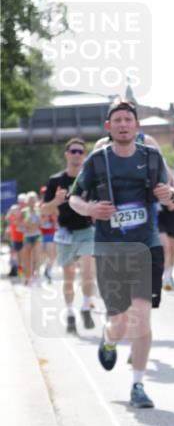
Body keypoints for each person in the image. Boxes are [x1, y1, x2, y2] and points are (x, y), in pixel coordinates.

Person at [69, 97, 174, 408]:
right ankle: (109, 340)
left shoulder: (152, 156)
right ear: (108, 127)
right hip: (109, 249)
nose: (124, 125)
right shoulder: (97, 160)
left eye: (129, 120)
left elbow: (173, 195)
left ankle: (138, 385)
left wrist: (169, 194)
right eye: (118, 121)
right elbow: (74, 199)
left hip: (146, 246)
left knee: (141, 319)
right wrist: (89, 208)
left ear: (137, 126)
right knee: (119, 324)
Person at [41, 138, 97, 333]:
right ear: (66, 154)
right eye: (73, 151)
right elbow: (43, 210)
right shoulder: (56, 180)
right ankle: (71, 312)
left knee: (89, 272)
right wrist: (56, 201)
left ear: (84, 155)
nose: (76, 155)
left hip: (87, 231)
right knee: (69, 276)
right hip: (65, 233)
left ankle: (86, 306)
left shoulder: (90, 179)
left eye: (80, 152)